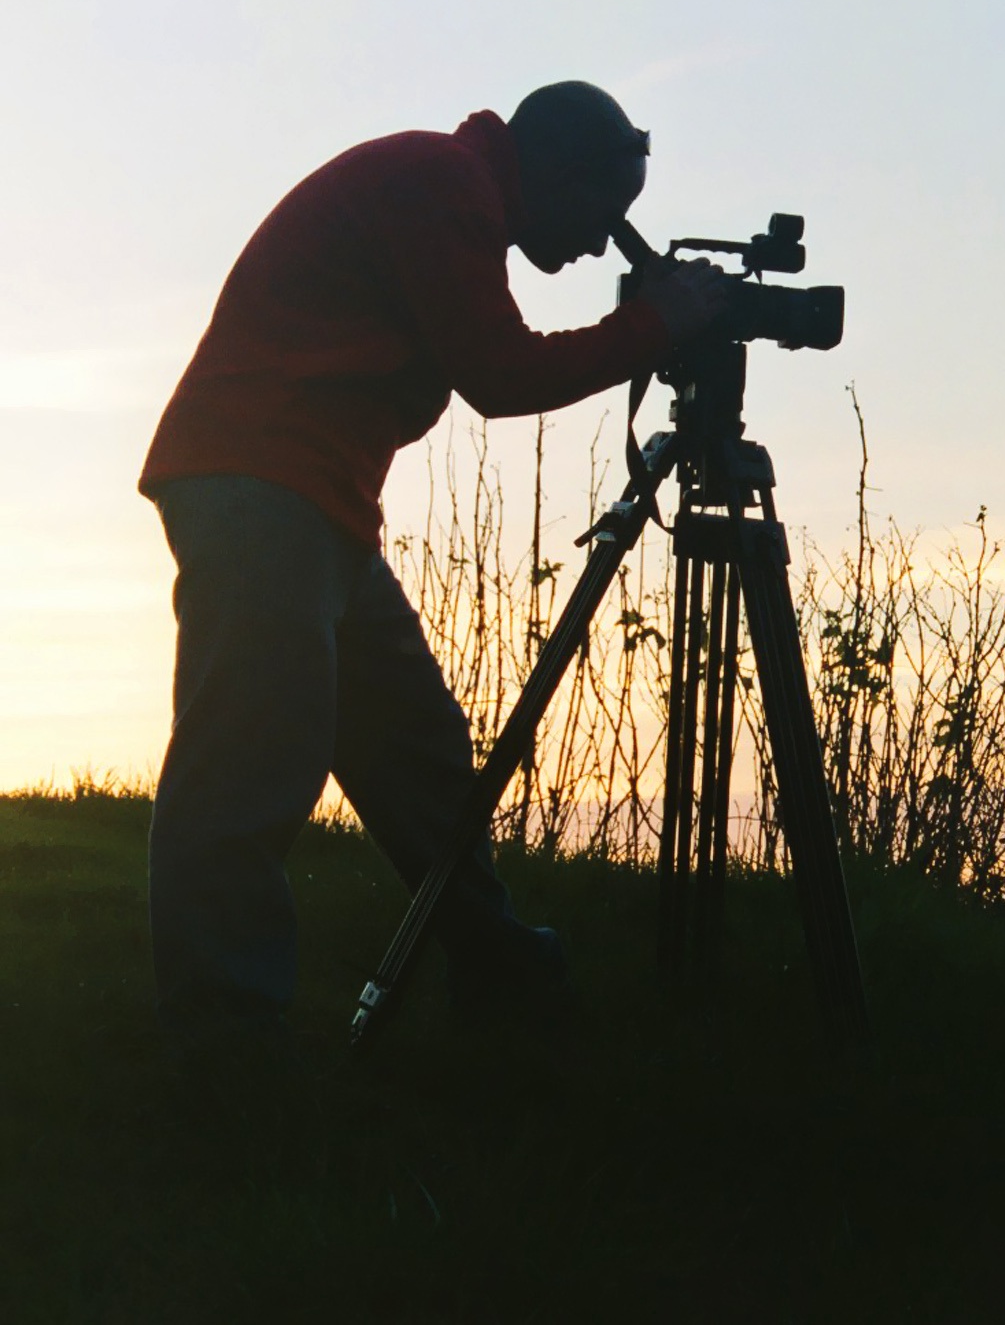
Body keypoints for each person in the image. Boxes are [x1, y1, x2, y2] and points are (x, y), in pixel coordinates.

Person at [137, 81, 727, 1068]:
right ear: (559, 174)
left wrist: (654, 324)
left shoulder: (446, 189)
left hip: (307, 498)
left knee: (413, 744)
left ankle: (492, 965)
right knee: (252, 751)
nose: (601, 243)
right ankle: (224, 1036)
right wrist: (656, 327)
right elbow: (499, 374)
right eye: (603, 210)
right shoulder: (440, 186)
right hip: (261, 482)